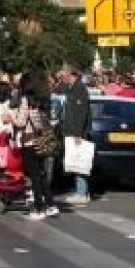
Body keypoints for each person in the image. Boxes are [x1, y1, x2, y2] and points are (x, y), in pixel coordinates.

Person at [17, 76, 59, 221]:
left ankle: (38, 207)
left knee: (34, 176)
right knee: (41, 174)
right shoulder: (43, 101)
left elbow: (21, 122)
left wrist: (11, 119)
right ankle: (51, 205)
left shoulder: (26, 101)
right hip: (42, 141)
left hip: (29, 141)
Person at [58, 68, 93, 206]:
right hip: (70, 131)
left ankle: (82, 193)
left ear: (73, 75)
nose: (63, 76)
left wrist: (78, 133)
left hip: (77, 133)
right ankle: (80, 191)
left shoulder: (80, 89)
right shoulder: (70, 88)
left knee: (80, 162)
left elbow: (81, 112)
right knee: (75, 161)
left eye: (65, 74)